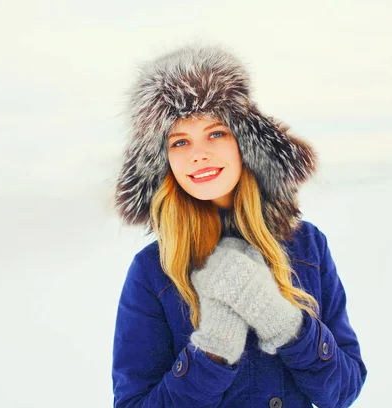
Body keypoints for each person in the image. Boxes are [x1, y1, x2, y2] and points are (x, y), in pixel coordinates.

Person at [111, 43, 367, 407]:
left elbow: (344, 390)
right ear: (164, 161)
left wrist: (286, 324)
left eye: (216, 133)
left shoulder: (307, 246)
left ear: (245, 142)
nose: (199, 153)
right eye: (180, 141)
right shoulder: (154, 271)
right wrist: (212, 351)